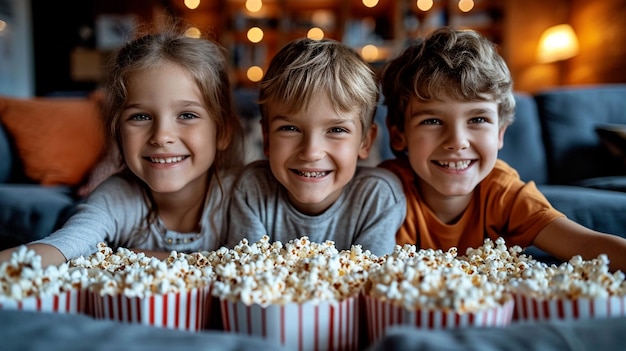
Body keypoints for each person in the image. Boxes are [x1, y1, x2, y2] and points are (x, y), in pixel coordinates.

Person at [379, 26, 626, 271]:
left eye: (477, 119)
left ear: (500, 132)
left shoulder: (503, 192)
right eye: (431, 121)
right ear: (398, 134)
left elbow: (586, 244)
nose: (457, 141)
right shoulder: (381, 193)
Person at [0, 22, 245, 267]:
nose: (161, 136)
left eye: (187, 115)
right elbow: (62, 246)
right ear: (118, 132)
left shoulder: (246, 195)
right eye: (140, 117)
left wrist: (125, 255)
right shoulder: (116, 196)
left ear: (222, 132)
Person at [226, 38, 406, 256]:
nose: (311, 152)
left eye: (336, 130)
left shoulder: (378, 198)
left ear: (365, 141)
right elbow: (247, 278)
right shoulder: (252, 190)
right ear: (267, 138)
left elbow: (368, 281)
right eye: (290, 128)